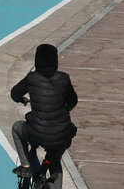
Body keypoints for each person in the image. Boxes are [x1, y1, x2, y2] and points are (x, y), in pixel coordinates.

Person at [10, 43, 78, 178]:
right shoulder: (64, 78)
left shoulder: (32, 78)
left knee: (17, 127)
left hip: (37, 132)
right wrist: (64, 109)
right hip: (62, 134)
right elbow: (73, 101)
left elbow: (15, 93)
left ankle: (26, 166)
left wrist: (21, 100)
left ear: (37, 60)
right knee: (55, 161)